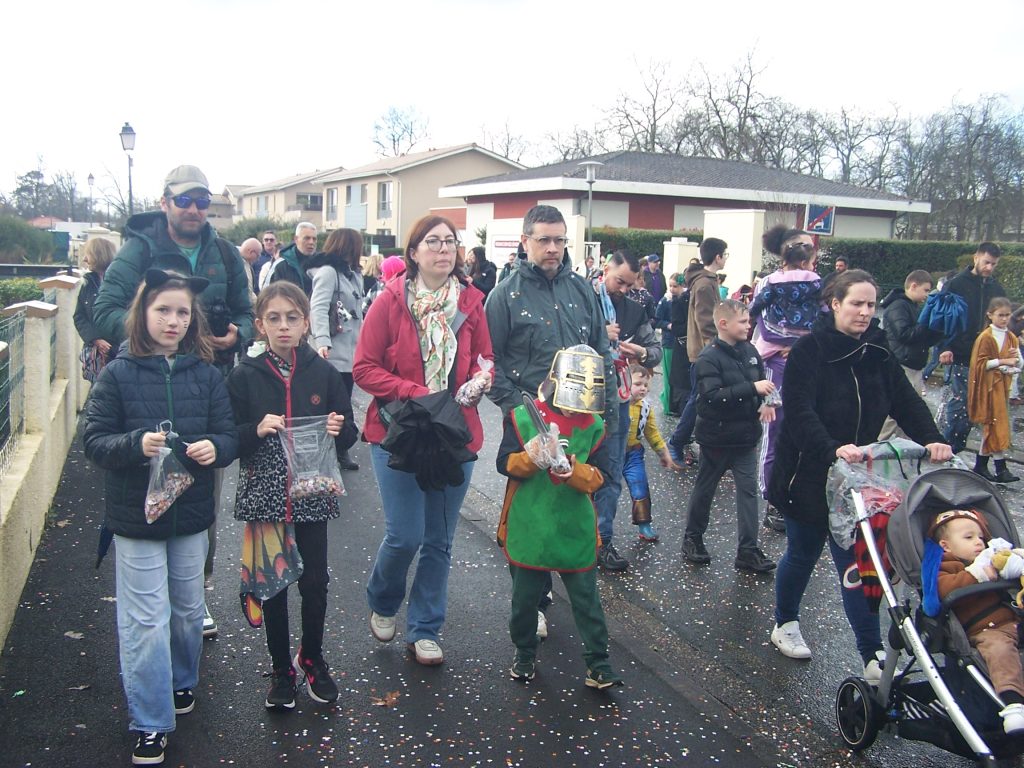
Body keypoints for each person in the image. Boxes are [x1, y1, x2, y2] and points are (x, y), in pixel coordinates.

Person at [91, 164, 254, 639]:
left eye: (202, 201)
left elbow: (246, 311)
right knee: (139, 489)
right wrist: (152, 335)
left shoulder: (224, 253)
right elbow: (104, 310)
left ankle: (194, 594)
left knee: (201, 495)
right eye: (184, 200)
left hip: (204, 384)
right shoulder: (139, 249)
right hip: (141, 386)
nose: (194, 209)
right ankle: (152, 599)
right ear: (165, 202)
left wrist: (236, 333)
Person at [83, 269, 238, 766]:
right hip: (136, 520)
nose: (173, 321)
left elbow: (228, 435)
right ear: (143, 313)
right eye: (163, 310)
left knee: (188, 610)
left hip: (190, 517)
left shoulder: (207, 375)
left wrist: (216, 447)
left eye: (182, 312)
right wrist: (136, 444)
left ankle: (182, 679)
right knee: (146, 619)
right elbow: (94, 441)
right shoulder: (117, 374)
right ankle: (150, 721)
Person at [767, 269, 952, 684]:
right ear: (835, 304)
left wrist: (933, 440)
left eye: (871, 304)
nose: (865, 312)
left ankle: (871, 654)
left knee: (857, 564)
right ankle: (785, 622)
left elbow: (906, 401)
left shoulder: (878, 350)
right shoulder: (809, 350)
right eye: (856, 303)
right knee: (803, 552)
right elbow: (799, 410)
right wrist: (831, 448)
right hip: (807, 473)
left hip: (858, 479)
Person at [354, 215, 494, 666]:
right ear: (413, 252)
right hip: (400, 431)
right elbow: (364, 368)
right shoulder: (389, 301)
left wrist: (481, 378)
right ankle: (383, 598)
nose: (443, 249)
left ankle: (425, 629)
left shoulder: (472, 302)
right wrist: (416, 393)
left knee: (439, 540)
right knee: (405, 535)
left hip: (454, 432)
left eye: (450, 241)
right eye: (433, 242)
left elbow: (485, 357)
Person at [227, 281, 357, 710]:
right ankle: (281, 668)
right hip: (266, 494)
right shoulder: (245, 375)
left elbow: (349, 433)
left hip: (311, 492)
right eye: (274, 318)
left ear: (305, 323)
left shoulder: (322, 372)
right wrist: (255, 430)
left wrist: (339, 429)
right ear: (260, 325)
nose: (284, 326)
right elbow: (228, 438)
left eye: (292, 318)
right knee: (274, 585)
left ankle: (312, 657)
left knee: (315, 581)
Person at [485, 204, 616, 623]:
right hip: (529, 421)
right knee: (529, 509)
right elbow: (490, 362)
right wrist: (518, 411)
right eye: (544, 239)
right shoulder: (504, 296)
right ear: (525, 241)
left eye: (559, 240)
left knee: (573, 499)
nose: (553, 248)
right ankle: (532, 602)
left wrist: (610, 413)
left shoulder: (582, 289)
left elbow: (601, 352)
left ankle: (577, 592)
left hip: (583, 421)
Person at [496, 344, 622, 689]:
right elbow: (505, 463)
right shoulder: (522, 417)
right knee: (524, 602)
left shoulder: (595, 425)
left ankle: (599, 663)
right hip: (530, 522)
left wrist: (575, 472)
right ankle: (524, 654)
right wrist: (532, 458)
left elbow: (603, 476)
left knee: (587, 600)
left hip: (573, 524)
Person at [681, 300, 777, 573]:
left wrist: (768, 401)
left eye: (749, 321)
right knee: (705, 489)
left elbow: (765, 384)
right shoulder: (708, 358)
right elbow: (712, 397)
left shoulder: (750, 350)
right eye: (743, 322)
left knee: (749, 493)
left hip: (746, 437)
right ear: (723, 324)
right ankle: (692, 539)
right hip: (717, 438)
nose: (749, 326)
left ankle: (748, 550)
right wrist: (752, 389)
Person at [747, 226, 822, 533]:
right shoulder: (771, 282)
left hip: (804, 362)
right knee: (775, 430)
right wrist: (788, 343)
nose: (809, 252)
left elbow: (826, 317)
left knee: (804, 427)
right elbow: (758, 318)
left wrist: (803, 345)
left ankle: (795, 491)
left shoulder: (814, 283)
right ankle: (771, 498)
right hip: (775, 362)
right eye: (803, 246)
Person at [591, 249, 661, 571]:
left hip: (617, 402)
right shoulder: (581, 299)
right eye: (620, 282)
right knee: (573, 472)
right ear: (606, 269)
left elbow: (655, 350)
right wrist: (598, 335)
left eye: (630, 285)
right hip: (579, 403)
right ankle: (572, 538)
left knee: (611, 474)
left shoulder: (633, 309)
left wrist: (642, 352)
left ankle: (602, 542)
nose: (623, 290)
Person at [930, 508, 1024, 735]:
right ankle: (1013, 704)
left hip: (1013, 621)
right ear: (946, 546)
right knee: (1000, 650)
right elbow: (943, 590)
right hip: (984, 631)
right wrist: (977, 574)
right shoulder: (946, 566)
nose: (979, 542)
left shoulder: (992, 559)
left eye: (981, 537)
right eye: (969, 537)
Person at [303, 228, 365, 472]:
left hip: (351, 352)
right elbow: (317, 308)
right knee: (327, 404)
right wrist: (322, 341)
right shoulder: (328, 273)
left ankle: (340, 448)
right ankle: (326, 450)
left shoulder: (354, 275)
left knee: (343, 403)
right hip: (330, 352)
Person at [940, 243, 1007, 453]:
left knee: (975, 405)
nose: (989, 268)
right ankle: (948, 446)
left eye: (993, 264)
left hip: (985, 355)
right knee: (961, 403)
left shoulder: (996, 289)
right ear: (976, 257)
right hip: (961, 351)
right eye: (986, 262)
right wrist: (945, 346)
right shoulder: (956, 284)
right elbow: (943, 318)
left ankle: (956, 446)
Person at [668, 237, 728, 466]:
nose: (726, 258)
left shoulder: (706, 281)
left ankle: (694, 444)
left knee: (702, 399)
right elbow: (705, 322)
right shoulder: (704, 284)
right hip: (705, 353)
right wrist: (717, 349)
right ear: (717, 257)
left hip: (704, 351)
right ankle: (676, 442)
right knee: (698, 399)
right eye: (725, 254)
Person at [878, 270, 941, 440]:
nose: (927, 295)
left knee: (911, 412)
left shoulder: (912, 306)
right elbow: (904, 334)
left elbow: (921, 338)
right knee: (895, 415)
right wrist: (926, 325)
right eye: (925, 290)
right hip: (902, 364)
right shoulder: (898, 306)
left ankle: (902, 447)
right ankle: (879, 446)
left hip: (913, 364)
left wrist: (938, 330)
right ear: (913, 286)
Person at [623, 364, 681, 542]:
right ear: (624, 383)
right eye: (638, 384)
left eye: (646, 385)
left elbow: (652, 433)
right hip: (611, 454)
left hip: (633, 454)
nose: (643, 388)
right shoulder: (615, 404)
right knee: (603, 492)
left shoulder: (645, 407)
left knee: (640, 488)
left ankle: (644, 525)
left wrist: (663, 453)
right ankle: (598, 528)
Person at [968, 297, 1022, 483]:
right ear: (990, 315)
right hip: (987, 388)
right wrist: (1003, 361)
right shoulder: (986, 337)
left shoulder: (1011, 337)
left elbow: (1019, 363)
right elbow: (980, 364)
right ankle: (999, 467)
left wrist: (1016, 359)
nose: (1004, 319)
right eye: (1000, 315)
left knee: (995, 426)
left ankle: (984, 465)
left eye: (1007, 315)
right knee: (994, 425)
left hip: (1002, 387)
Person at [74, 238, 117, 378]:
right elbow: (79, 316)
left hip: (119, 352)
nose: (85, 259)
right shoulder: (87, 284)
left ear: (99, 255)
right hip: (97, 356)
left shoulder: (120, 282)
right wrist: (96, 339)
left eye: (88, 254)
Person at [654, 273, 685, 416]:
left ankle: (677, 404)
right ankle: (667, 404)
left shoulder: (685, 300)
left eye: (675, 286)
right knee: (668, 375)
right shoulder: (665, 301)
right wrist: (668, 325)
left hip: (682, 343)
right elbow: (656, 320)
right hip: (669, 342)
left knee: (679, 376)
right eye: (670, 286)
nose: (672, 289)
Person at [265, 222, 317, 292]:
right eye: (307, 238)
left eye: (314, 239)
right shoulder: (281, 265)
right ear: (296, 239)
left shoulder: (321, 264)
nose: (311, 242)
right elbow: (269, 293)